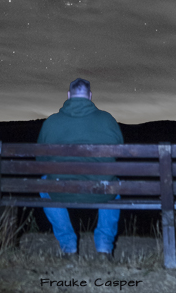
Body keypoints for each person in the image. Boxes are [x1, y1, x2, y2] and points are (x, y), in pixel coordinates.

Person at [37, 78, 124, 259]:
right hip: (102, 190)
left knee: (44, 183)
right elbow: (119, 155)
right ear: (90, 96)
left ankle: (68, 247)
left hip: (60, 190)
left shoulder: (51, 122)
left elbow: (41, 161)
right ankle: (104, 248)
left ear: (68, 96)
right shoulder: (107, 120)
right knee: (114, 183)